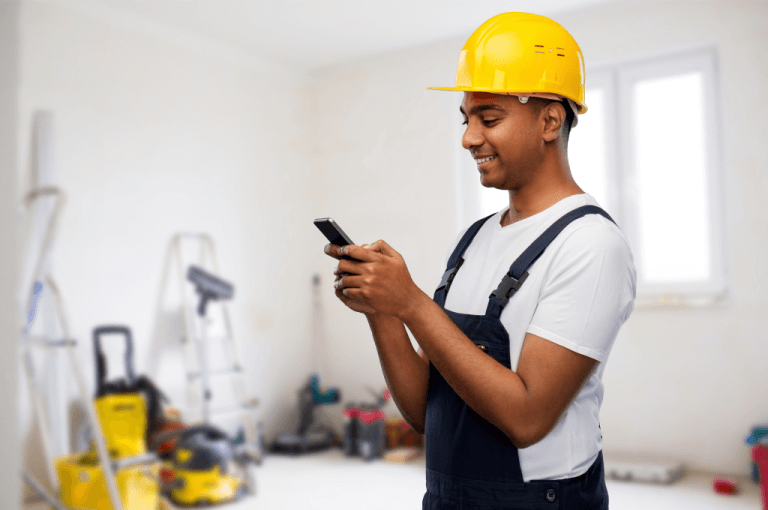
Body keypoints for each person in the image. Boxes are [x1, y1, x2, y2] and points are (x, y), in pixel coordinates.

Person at [323, 12, 636, 509]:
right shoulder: (475, 239)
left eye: (489, 119)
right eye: (466, 120)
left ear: (550, 120)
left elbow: (528, 419)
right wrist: (383, 310)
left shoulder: (590, 245)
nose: (469, 138)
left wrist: (413, 304)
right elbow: (427, 412)